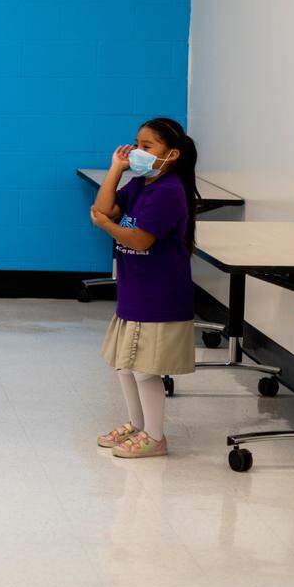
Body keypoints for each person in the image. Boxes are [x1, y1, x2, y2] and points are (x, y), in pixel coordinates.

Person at [89, 117, 198, 458]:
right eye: (136, 144)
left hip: (160, 295)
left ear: (172, 155)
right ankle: (137, 425)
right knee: (125, 364)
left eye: (147, 146)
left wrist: (106, 226)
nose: (137, 151)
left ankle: (155, 436)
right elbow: (104, 206)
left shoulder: (169, 192)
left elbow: (138, 240)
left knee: (145, 370)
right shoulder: (141, 184)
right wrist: (115, 170)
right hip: (134, 292)